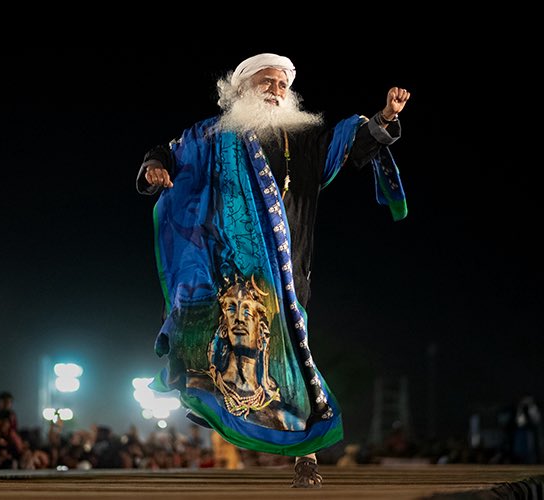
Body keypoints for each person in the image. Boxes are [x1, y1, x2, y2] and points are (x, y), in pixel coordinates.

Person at [137, 52, 410, 488]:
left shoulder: (301, 139)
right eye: (267, 81)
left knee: (294, 362)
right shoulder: (211, 135)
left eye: (283, 83)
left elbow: (350, 142)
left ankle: (305, 455)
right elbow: (167, 152)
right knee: (210, 352)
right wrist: (155, 169)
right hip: (227, 274)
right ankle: (224, 418)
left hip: (284, 271)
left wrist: (383, 118)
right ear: (241, 88)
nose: (277, 89)